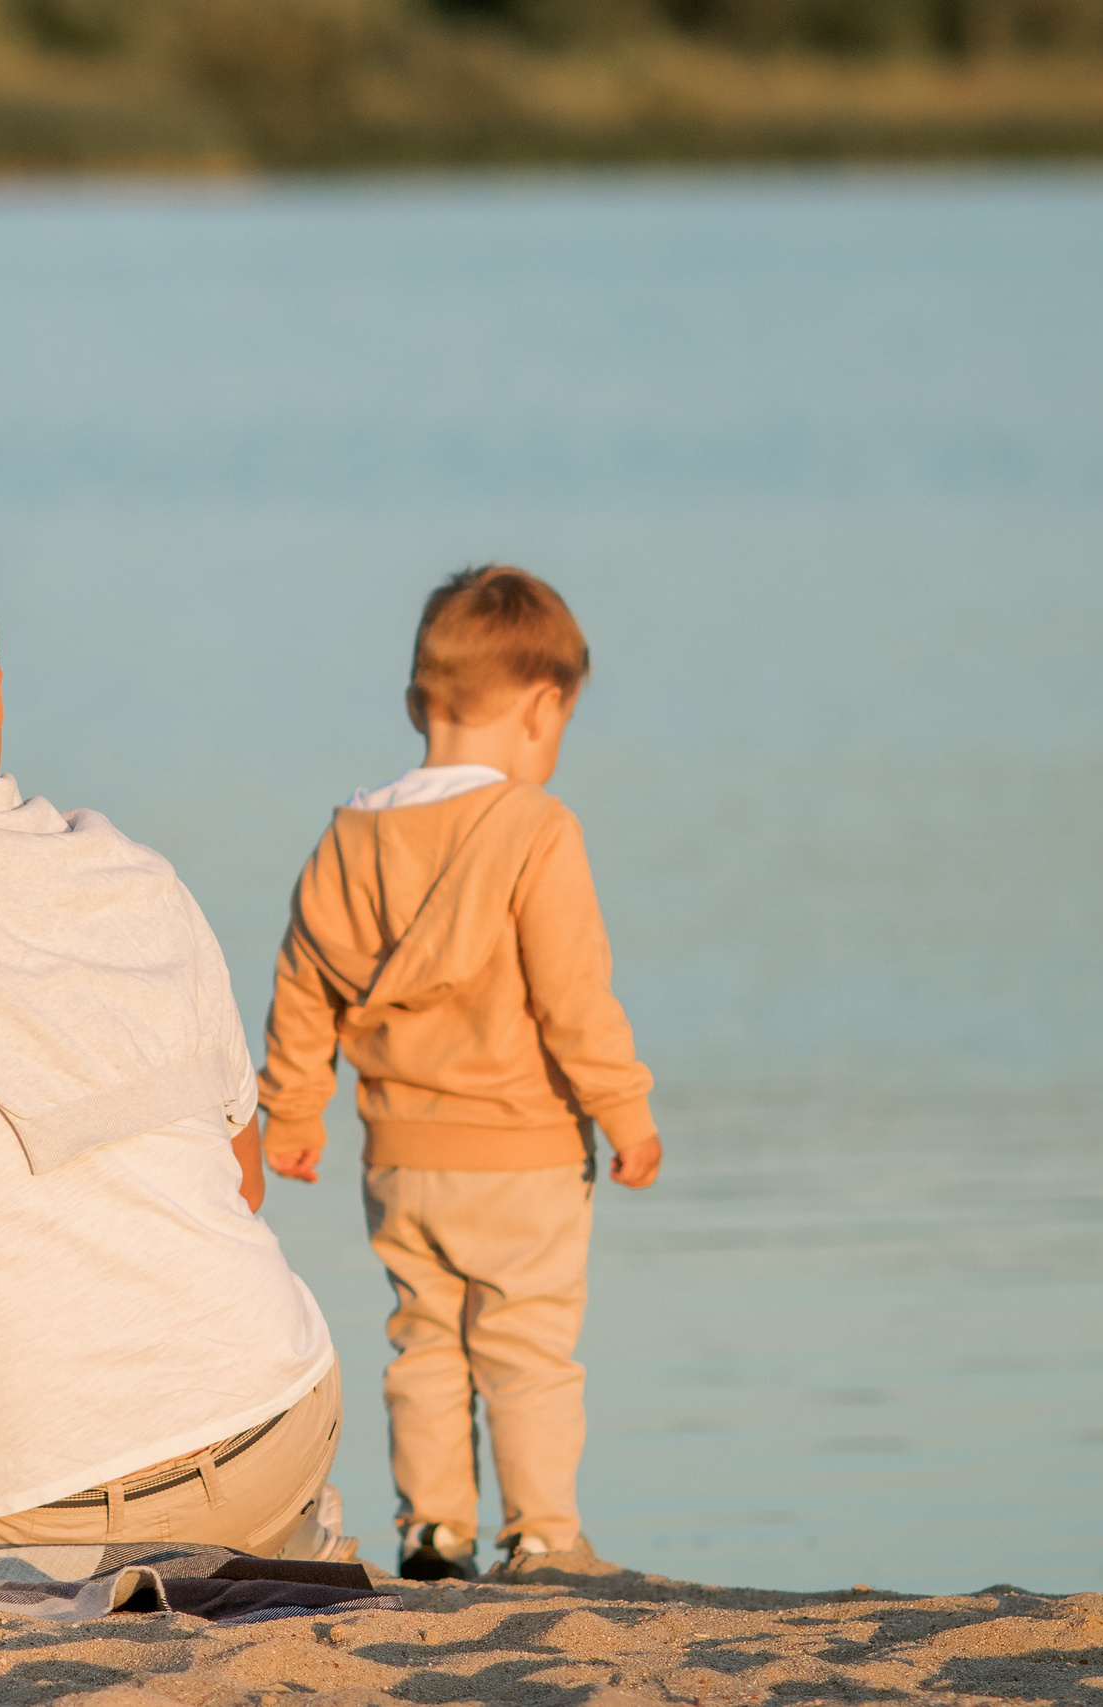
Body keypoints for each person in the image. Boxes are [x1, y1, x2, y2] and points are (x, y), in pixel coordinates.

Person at [0, 534, 348, 1559]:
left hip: (36, 1515)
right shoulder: (132, 871)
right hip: (282, 1420)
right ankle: (286, 1537)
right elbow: (243, 1181)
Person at [255, 564, 661, 1584]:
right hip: (521, 1153)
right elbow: (574, 998)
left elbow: (302, 982)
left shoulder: (345, 837)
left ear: (414, 705)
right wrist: (625, 1110)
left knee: (424, 1345)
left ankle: (434, 1531)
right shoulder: (535, 829)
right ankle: (541, 1537)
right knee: (525, 1347)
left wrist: (295, 1111)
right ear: (542, 707)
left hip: (400, 1158)